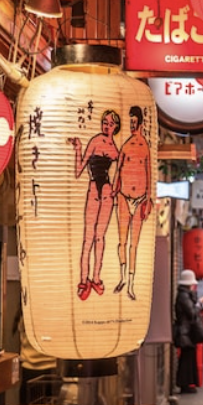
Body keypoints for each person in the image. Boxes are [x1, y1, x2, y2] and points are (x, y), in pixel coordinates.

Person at [69, 109, 120, 301]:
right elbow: (79, 169)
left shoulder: (116, 149)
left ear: (116, 127)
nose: (107, 126)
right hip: (93, 189)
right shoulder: (95, 141)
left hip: (107, 192)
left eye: (111, 123)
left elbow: (120, 173)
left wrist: (117, 188)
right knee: (88, 237)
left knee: (100, 237)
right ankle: (84, 279)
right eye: (105, 122)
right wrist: (78, 149)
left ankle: (96, 277)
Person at [112, 105, 152, 301]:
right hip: (123, 196)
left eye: (135, 123)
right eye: (131, 123)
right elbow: (118, 170)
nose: (132, 126)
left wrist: (149, 198)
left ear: (141, 124)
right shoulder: (126, 146)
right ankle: (121, 278)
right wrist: (113, 192)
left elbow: (150, 174)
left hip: (140, 198)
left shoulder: (145, 147)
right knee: (122, 240)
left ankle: (132, 283)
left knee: (134, 244)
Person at [173, 269, 202, 394]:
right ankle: (185, 383)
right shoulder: (184, 296)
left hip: (186, 331)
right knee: (187, 358)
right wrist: (198, 304)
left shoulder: (183, 295)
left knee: (188, 357)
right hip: (186, 332)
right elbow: (191, 312)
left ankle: (187, 383)